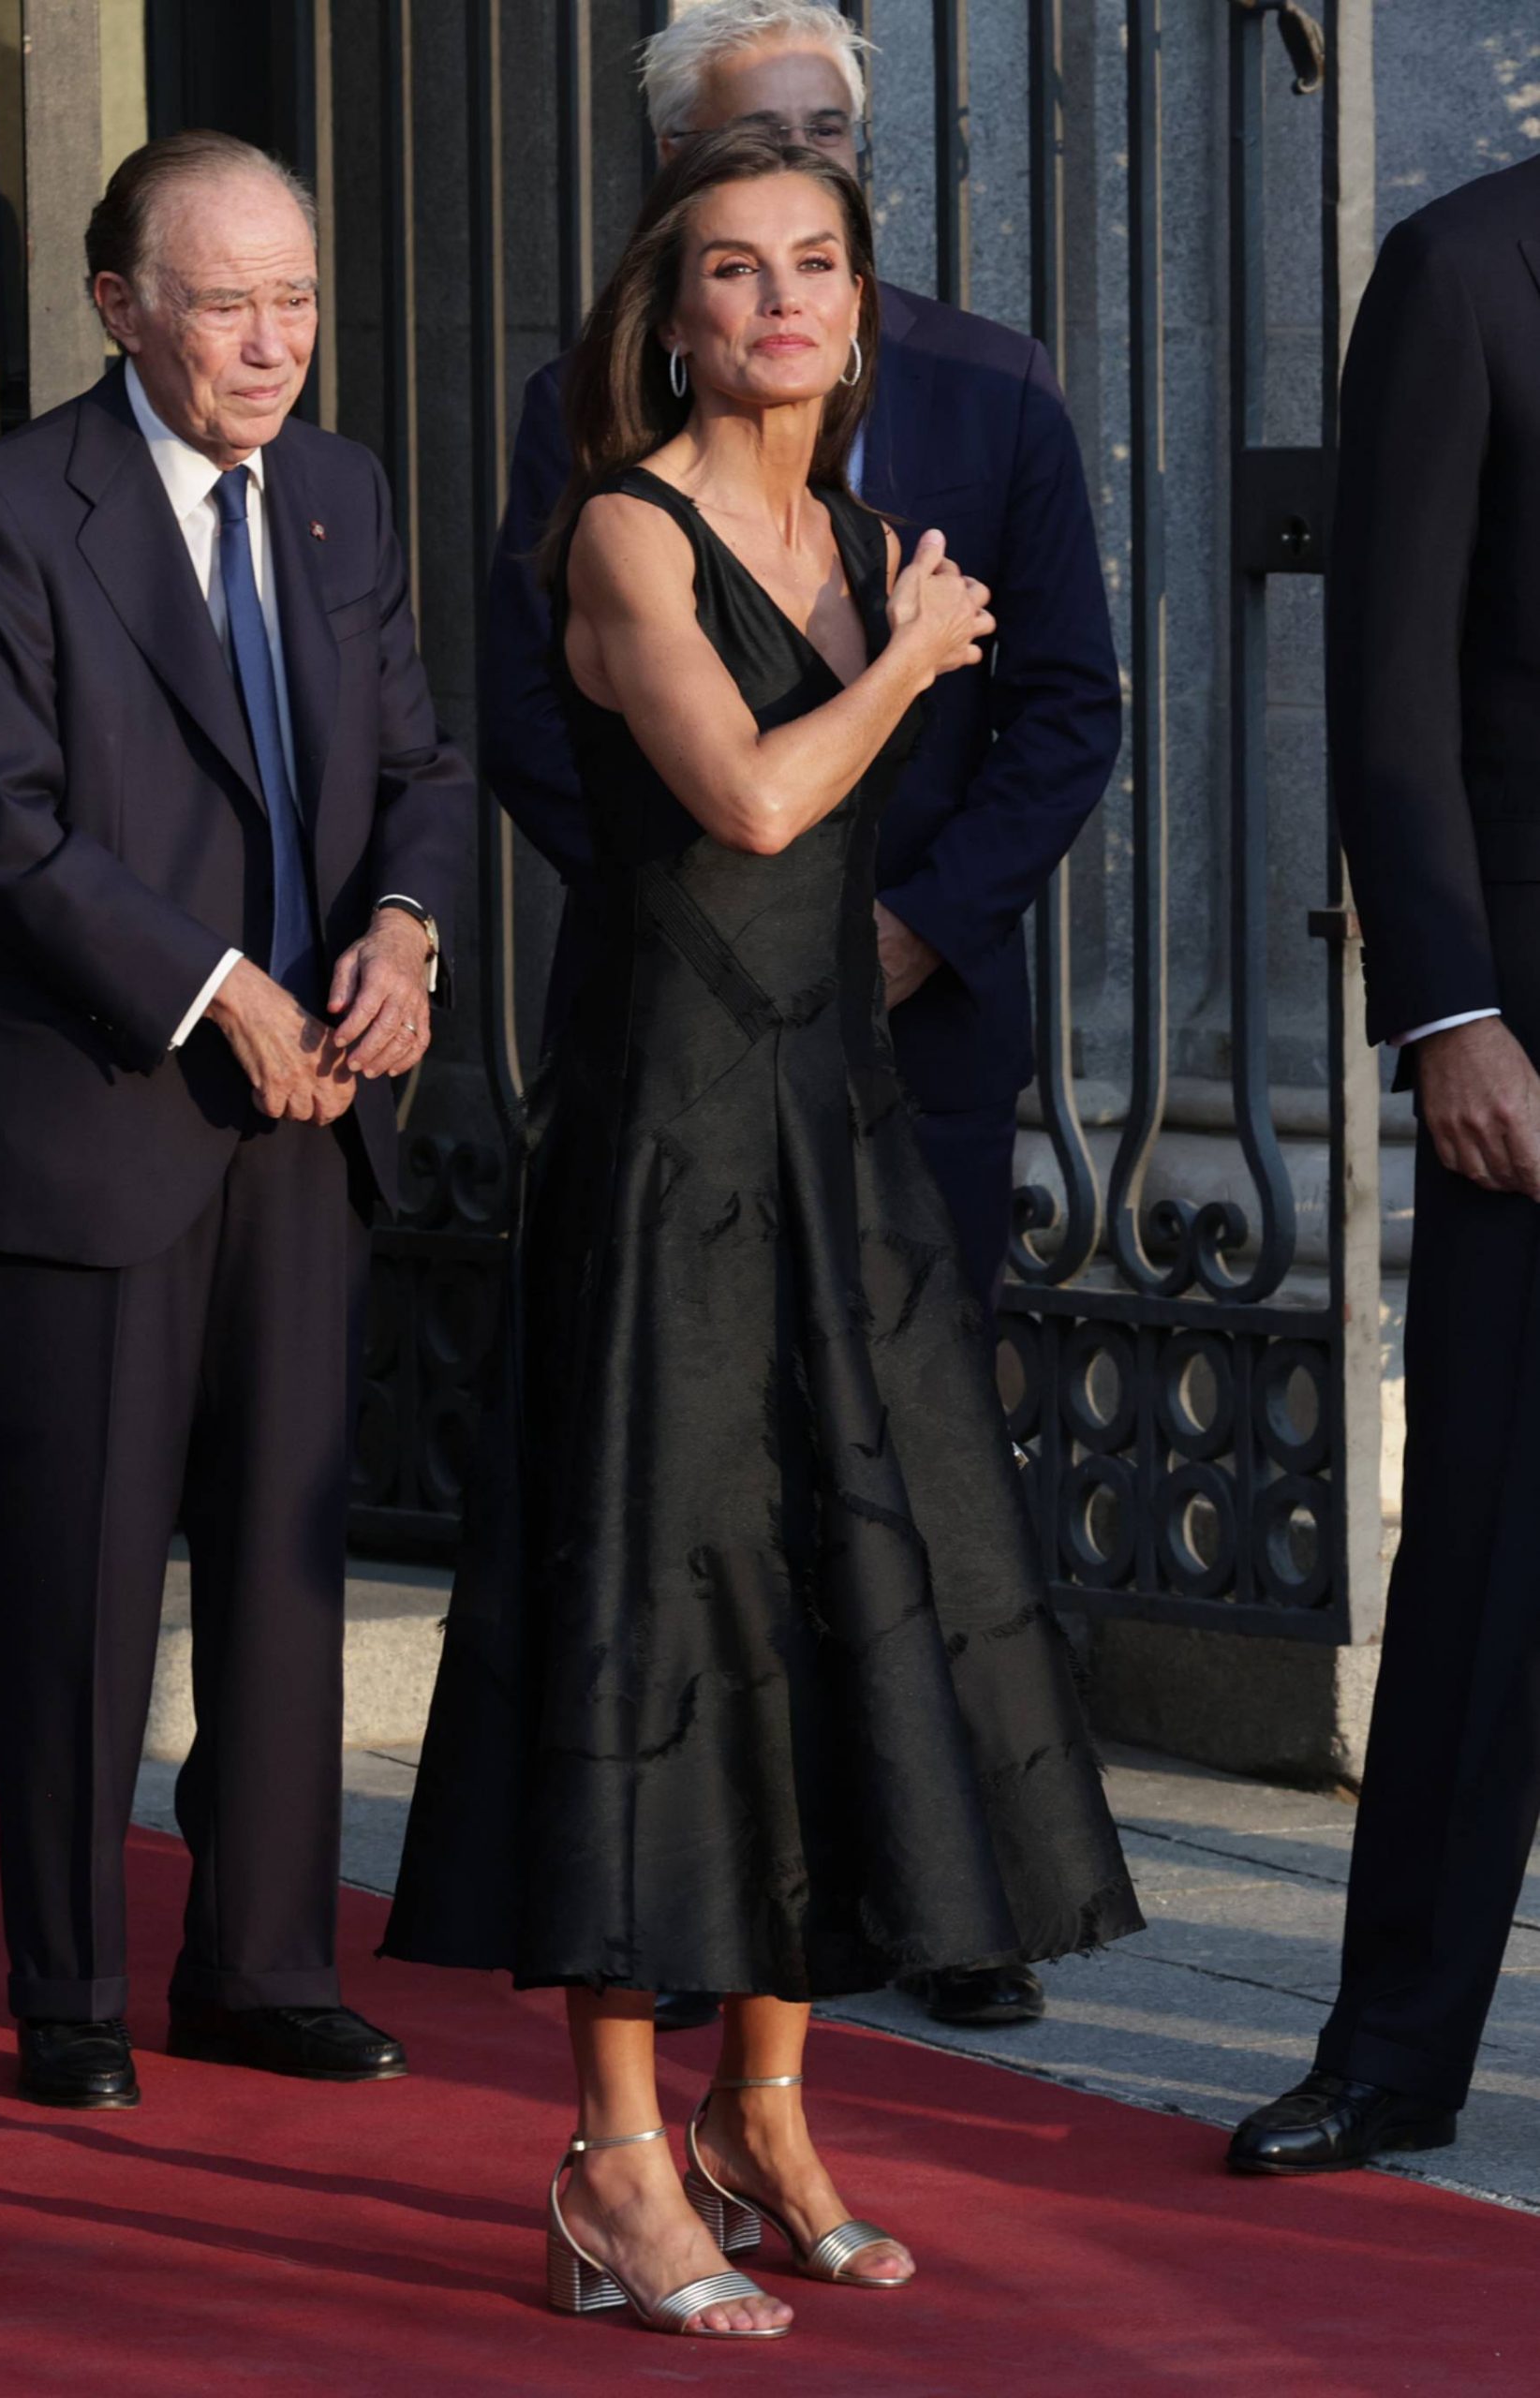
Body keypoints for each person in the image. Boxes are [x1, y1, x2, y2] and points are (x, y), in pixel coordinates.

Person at [383, 127, 1141, 2343]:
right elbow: (750, 797)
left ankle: (767, 2109)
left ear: (855, 302)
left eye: (812, 265)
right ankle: (613, 2158)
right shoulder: (622, 526)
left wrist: (889, 625)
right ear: (673, 311)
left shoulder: (855, 527)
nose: (776, 302)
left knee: (826, 1592)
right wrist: (907, 659)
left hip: (831, 1127)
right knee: (657, 1603)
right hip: (661, 1142)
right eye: (730, 270)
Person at [483, 0, 1122, 2038]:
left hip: (885, 1059)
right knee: (677, 1553)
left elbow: (1066, 710)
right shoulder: (605, 485)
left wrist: (914, 925)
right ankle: (639, 2050)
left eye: (823, 192)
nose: (785, 270)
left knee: (892, 1511)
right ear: (668, 256)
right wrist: (741, 913)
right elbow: (641, 760)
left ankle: (899, 1937)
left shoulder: (954, 433)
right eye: (744, 210)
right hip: (683, 1067)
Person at [0, 131, 472, 2110]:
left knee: (284, 1556)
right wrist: (216, 984)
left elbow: (420, 760)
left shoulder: (340, 495)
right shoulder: (10, 511)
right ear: (120, 308)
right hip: (105, 1106)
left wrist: (408, 938)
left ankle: (261, 1960)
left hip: (312, 1118)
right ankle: (75, 1987)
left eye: (298, 297)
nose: (274, 344)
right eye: (227, 301)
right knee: (83, 1572)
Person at [1229, 149, 1540, 2175]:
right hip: (1527, 1042)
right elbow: (1390, 688)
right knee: (1486, 1565)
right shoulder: (1454, 272)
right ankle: (1386, 2043)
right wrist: (1448, 1011)